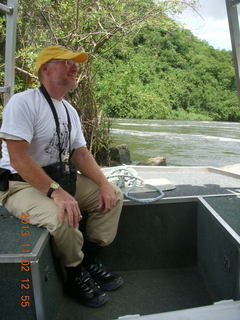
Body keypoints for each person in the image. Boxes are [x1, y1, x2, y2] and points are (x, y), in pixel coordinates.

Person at [0, 45, 124, 307]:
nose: (74, 66)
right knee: (62, 216)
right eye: (66, 62)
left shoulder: (69, 110)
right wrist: (57, 192)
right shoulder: (23, 103)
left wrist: (103, 184)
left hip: (56, 178)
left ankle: (89, 260)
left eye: (75, 63)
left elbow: (79, 153)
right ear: (45, 69)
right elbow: (19, 159)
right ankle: (75, 272)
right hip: (18, 183)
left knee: (113, 194)